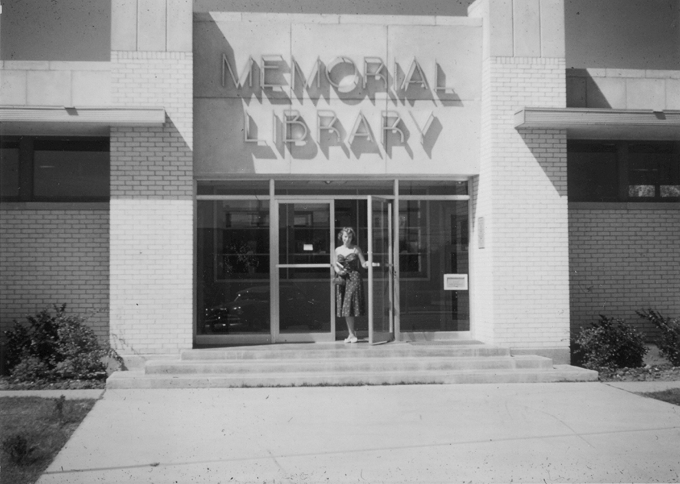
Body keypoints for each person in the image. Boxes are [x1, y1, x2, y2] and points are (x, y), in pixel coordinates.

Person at [334, 227, 368, 343]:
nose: (347, 239)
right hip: (342, 278)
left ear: (352, 237)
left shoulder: (356, 249)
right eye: (345, 236)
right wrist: (338, 271)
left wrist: (369, 262)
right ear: (341, 237)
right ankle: (351, 335)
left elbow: (363, 264)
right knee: (345, 306)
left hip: (354, 278)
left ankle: (352, 335)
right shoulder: (337, 250)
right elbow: (334, 264)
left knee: (349, 303)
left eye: (349, 237)